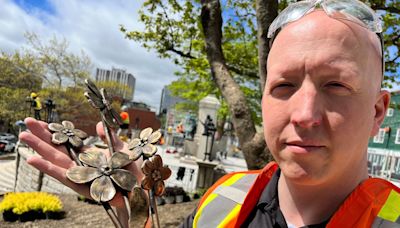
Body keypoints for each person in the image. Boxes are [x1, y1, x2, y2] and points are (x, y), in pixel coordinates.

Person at [19, 1, 400, 227]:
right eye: (283, 86)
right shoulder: (224, 196)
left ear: (378, 111)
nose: (303, 114)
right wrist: (137, 212)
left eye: (336, 86)